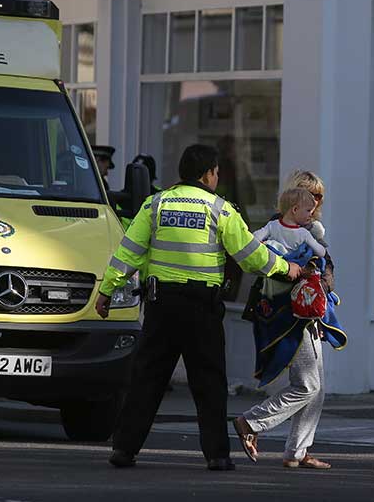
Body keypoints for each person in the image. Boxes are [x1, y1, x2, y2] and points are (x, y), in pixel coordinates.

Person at [96, 144, 302, 471]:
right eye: (217, 172)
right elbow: (250, 255)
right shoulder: (221, 210)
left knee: (146, 380)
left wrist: (107, 291)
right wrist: (284, 269)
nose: (217, 178)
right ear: (207, 174)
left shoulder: (156, 204)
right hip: (201, 309)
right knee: (209, 383)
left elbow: (128, 253)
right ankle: (217, 455)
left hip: (161, 306)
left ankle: (124, 449)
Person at [233, 169, 345, 470]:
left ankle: (298, 451)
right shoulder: (280, 227)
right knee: (307, 385)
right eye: (312, 196)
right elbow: (259, 261)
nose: (317, 204)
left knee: (316, 387)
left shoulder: (309, 227)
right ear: (296, 198)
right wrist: (293, 267)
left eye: (319, 198)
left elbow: (324, 266)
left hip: (309, 313)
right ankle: (252, 422)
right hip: (289, 314)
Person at [252, 188, 327, 297]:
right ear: (295, 209)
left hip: (272, 283)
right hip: (292, 285)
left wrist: (264, 244)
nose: (311, 215)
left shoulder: (272, 225)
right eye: (308, 211)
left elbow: (254, 238)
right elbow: (321, 252)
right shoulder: (303, 233)